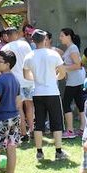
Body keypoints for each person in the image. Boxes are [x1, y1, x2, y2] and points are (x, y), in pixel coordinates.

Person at [23, 29, 67, 161]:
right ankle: (58, 152)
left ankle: (39, 152)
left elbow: (26, 75)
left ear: (33, 41)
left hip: (37, 92)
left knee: (39, 122)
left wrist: (36, 78)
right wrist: (54, 77)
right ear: (45, 40)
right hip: (52, 92)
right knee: (57, 122)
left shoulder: (29, 56)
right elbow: (63, 73)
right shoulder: (53, 54)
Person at [2, 27, 34, 138]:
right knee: (30, 105)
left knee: (19, 107)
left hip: (15, 81)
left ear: (7, 36)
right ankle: (33, 129)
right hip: (28, 79)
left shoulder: (6, 47)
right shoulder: (25, 44)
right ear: (17, 34)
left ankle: (23, 133)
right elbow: (31, 59)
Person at [59, 28, 86, 139]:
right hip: (76, 80)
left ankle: (70, 131)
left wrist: (63, 68)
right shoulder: (70, 48)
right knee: (80, 103)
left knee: (66, 104)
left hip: (75, 80)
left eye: (62, 36)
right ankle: (83, 129)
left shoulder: (73, 48)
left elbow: (78, 65)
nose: (60, 38)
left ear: (68, 36)